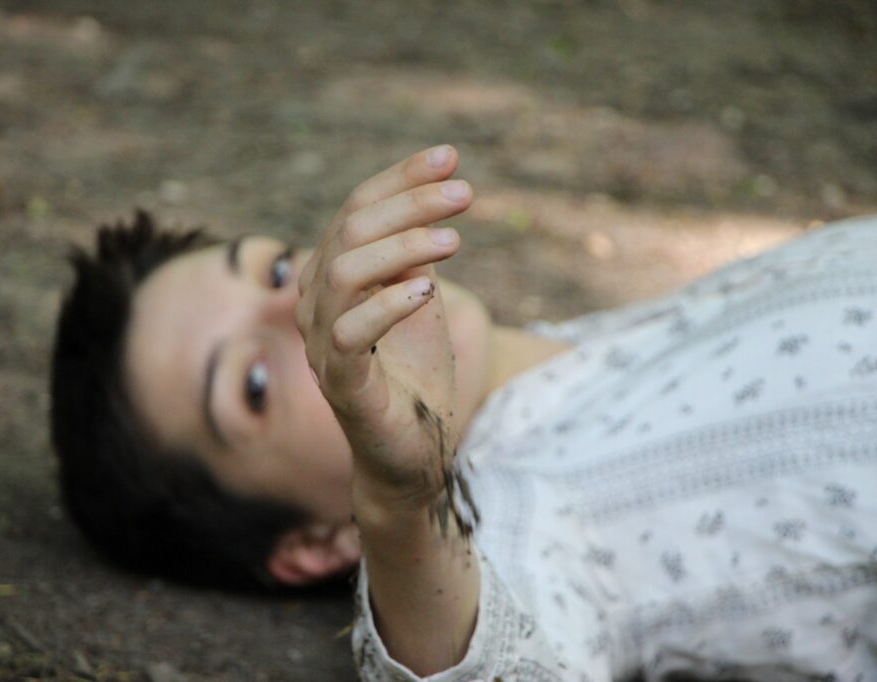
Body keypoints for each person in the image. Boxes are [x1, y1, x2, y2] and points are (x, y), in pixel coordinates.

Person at [50, 146, 877, 681]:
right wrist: (404, 509)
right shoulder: (507, 526)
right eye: (254, 386)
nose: (301, 307)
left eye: (270, 273)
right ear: (316, 541)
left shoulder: (607, 338)